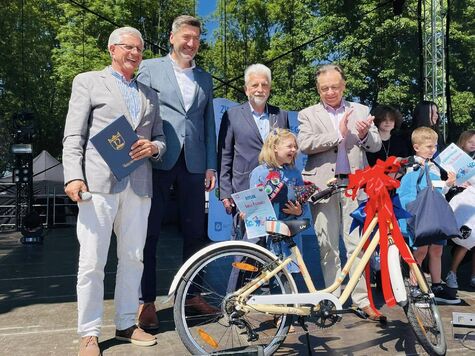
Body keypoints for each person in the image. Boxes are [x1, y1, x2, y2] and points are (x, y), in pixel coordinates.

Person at [62, 27, 166, 356]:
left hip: (139, 186)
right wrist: (72, 177)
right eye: (128, 47)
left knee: (133, 258)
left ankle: (124, 323)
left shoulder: (151, 95)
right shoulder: (88, 81)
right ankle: (89, 333)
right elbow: (73, 136)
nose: (135, 53)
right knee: (92, 261)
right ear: (112, 49)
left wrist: (154, 147)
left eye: (139, 49)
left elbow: (161, 138)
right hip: (98, 185)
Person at [137, 15, 217, 329]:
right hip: (158, 160)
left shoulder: (205, 79)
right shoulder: (150, 68)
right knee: (150, 232)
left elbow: (207, 123)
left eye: (196, 39)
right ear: (172, 38)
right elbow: (138, 110)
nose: (191, 44)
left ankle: (193, 295)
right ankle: (147, 301)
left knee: (196, 233)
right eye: (186, 37)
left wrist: (210, 164)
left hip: (195, 163)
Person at [297, 63, 384, 321]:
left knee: (356, 245)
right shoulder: (307, 114)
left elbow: (376, 144)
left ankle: (361, 300)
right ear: (318, 89)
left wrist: (366, 134)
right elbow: (305, 144)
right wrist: (339, 133)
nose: (331, 92)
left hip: (356, 187)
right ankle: (331, 300)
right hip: (323, 187)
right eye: (325, 88)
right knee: (327, 245)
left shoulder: (362, 110)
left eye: (335, 87)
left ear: (344, 85)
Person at [218, 63, 288, 240]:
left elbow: (288, 153)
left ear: (270, 89)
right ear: (246, 89)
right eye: (255, 85)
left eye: (264, 85)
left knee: (274, 246)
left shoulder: (280, 115)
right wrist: (225, 193)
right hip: (244, 191)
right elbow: (225, 156)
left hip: (276, 190)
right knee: (246, 248)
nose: (260, 89)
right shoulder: (232, 115)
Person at [401, 127, 460, 304]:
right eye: (428, 146)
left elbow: (436, 190)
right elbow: (418, 191)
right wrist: (446, 184)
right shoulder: (412, 165)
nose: (433, 150)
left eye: (434, 146)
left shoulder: (434, 165)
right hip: (421, 214)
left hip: (436, 213)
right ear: (416, 147)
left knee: (437, 250)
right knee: (420, 251)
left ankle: (436, 285)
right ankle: (414, 287)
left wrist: (448, 184)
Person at [249, 129, 307, 272]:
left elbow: (303, 203)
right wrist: (249, 212)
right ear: (275, 147)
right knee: (268, 273)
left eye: (295, 147)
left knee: (290, 273)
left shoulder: (295, 173)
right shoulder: (259, 173)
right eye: (289, 146)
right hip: (267, 235)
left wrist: (299, 211)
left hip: (289, 232)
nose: (294, 150)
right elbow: (251, 204)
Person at [445, 129, 475, 289]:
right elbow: (447, 178)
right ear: (463, 141)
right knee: (465, 241)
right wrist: (457, 183)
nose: (473, 145)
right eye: (471, 142)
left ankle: (473, 276)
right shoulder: (454, 157)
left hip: (472, 204)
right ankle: (452, 273)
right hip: (458, 202)